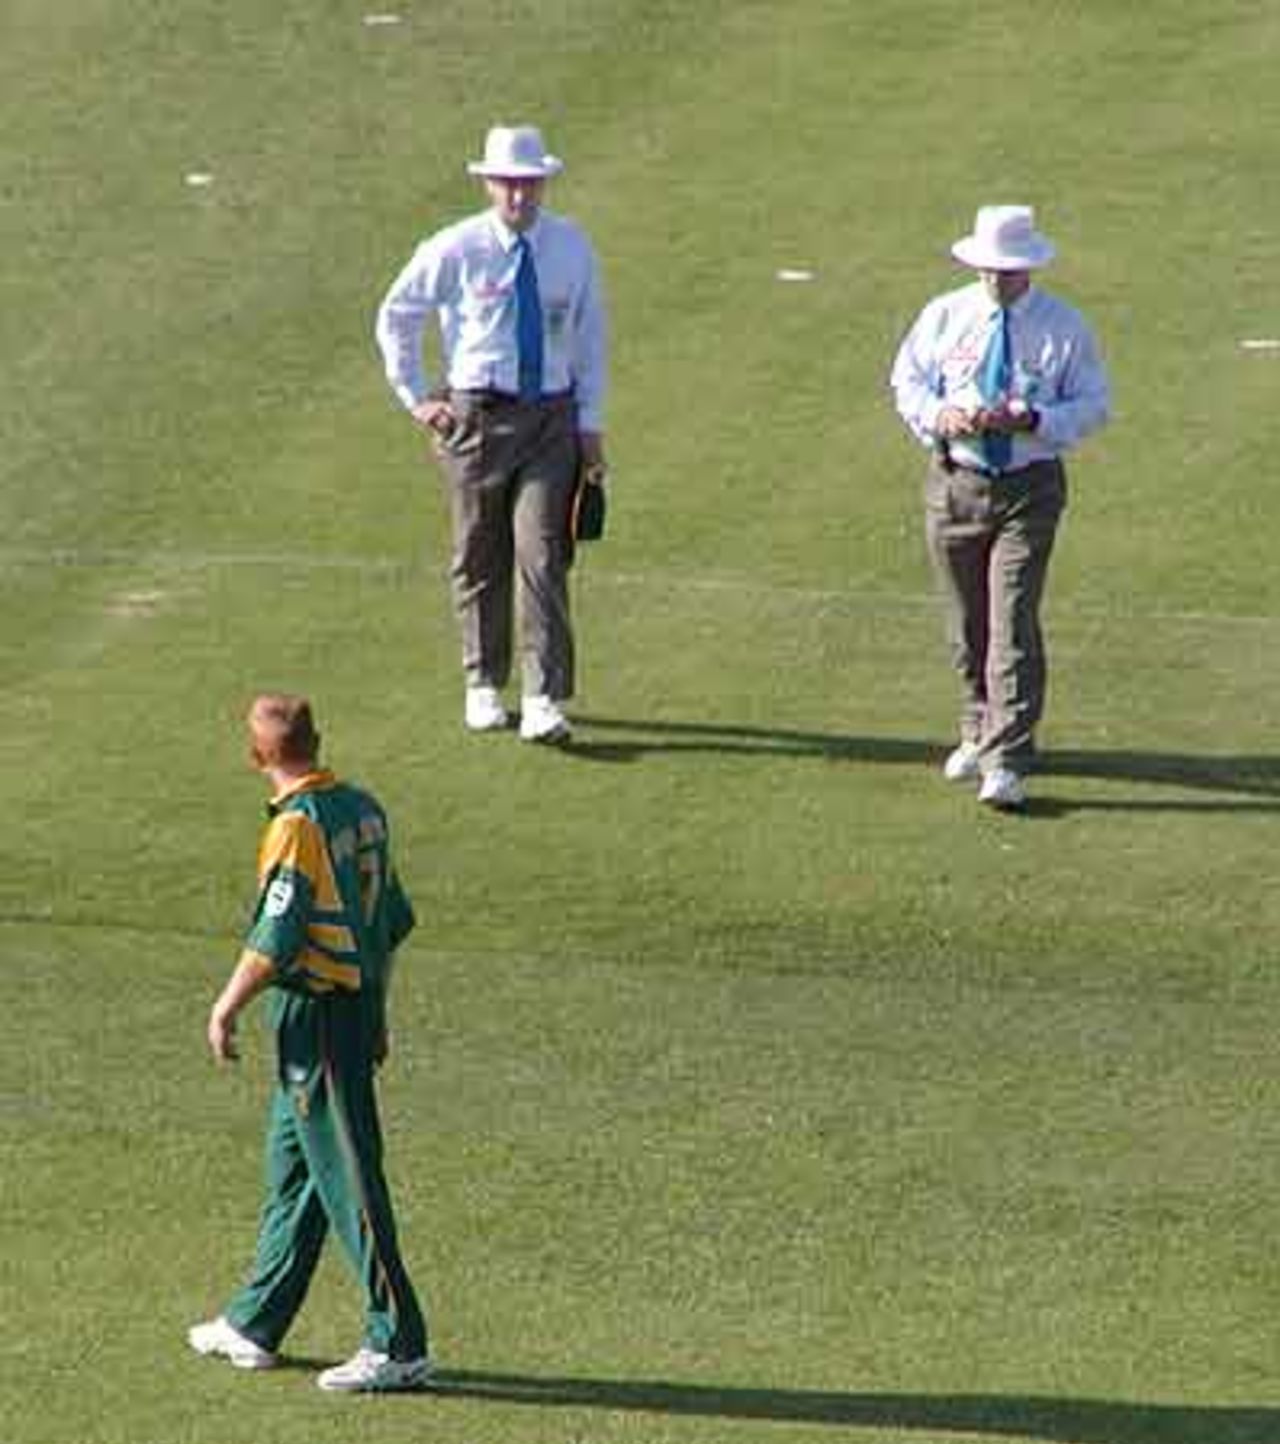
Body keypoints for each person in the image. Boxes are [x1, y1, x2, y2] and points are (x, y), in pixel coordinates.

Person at [188, 694, 431, 1393]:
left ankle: (399, 1341)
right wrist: (379, 1009)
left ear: (257, 756)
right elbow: (385, 920)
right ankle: (255, 1321)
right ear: (318, 741)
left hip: (318, 1018)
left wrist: (226, 1007)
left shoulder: (297, 827)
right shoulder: (364, 808)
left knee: (349, 1176)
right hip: (350, 1009)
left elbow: (278, 935)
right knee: (294, 1177)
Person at [375, 124, 608, 745]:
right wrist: (418, 396)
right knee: (478, 551)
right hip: (475, 416)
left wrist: (590, 427)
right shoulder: (456, 247)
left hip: (550, 416)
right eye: (508, 183)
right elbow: (397, 314)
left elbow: (588, 339)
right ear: (487, 184)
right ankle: (483, 683)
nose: (519, 196)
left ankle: (543, 697)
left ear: (544, 184)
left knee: (543, 553)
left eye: (529, 184)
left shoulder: (571, 248)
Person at [890, 205, 1110, 810]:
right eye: (988, 268)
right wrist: (941, 416)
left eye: (1008, 270)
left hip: (1029, 485)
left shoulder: (1064, 327)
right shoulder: (945, 315)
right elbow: (907, 382)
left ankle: (1008, 756)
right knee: (967, 622)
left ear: (1030, 269)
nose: (997, 279)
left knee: (1011, 618)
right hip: (955, 480)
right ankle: (977, 726)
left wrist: (1036, 419)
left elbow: (1095, 403)